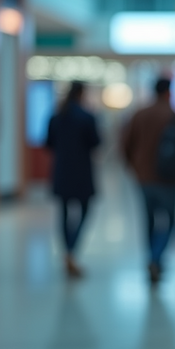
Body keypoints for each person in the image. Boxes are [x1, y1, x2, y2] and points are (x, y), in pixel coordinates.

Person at [120, 77, 175, 284]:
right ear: (169, 93)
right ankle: (156, 257)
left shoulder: (139, 115)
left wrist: (133, 167)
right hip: (168, 179)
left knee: (148, 220)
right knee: (171, 222)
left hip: (144, 178)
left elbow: (125, 144)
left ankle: (151, 257)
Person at [45, 81, 101, 279]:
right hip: (82, 172)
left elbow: (48, 143)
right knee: (84, 210)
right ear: (82, 94)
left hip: (62, 170)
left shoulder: (56, 116)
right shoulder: (87, 117)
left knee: (64, 212)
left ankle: (67, 251)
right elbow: (96, 142)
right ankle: (72, 249)